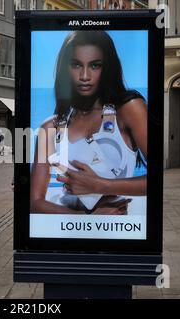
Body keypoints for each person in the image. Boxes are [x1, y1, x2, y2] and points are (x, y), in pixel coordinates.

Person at [30, 30, 147, 215]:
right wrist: (87, 219)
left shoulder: (129, 109)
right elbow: (34, 202)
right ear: (65, 68)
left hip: (119, 234)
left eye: (95, 65)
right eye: (76, 65)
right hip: (67, 235)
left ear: (107, 68)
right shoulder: (50, 128)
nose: (85, 75)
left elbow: (158, 180)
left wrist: (99, 185)